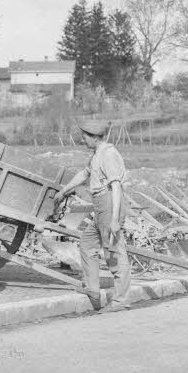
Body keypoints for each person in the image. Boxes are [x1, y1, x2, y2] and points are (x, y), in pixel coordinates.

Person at [55, 119, 130, 307]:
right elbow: (84, 174)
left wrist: (114, 220)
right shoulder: (96, 154)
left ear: (95, 137)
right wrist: (63, 191)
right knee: (87, 244)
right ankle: (93, 289)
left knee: (114, 251)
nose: (82, 140)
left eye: (85, 137)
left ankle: (121, 300)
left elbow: (116, 185)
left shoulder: (109, 154)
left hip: (109, 203)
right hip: (101, 205)